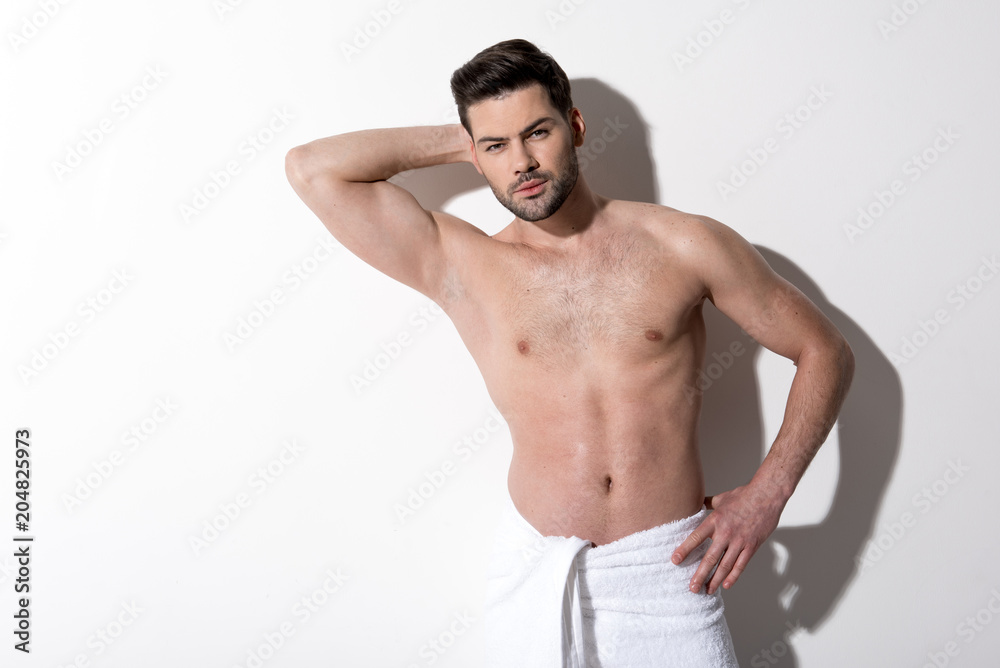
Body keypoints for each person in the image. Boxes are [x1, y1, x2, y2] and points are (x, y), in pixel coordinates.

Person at [285, 38, 854, 668]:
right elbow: (312, 169)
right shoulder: (464, 264)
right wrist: (468, 141)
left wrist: (768, 496)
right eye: (498, 147)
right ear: (475, 154)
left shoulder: (686, 244)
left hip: (669, 571)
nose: (523, 162)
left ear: (575, 126)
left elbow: (822, 350)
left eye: (538, 132)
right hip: (540, 575)